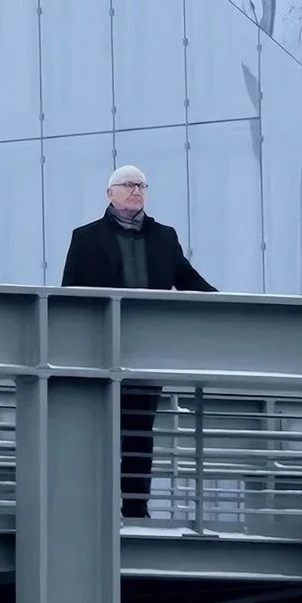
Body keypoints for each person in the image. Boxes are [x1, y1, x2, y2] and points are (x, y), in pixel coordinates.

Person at [60, 166, 216, 516]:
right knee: (95, 428)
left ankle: (135, 507)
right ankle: (91, 506)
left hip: (147, 350)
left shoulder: (164, 236)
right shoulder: (85, 238)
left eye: (142, 185)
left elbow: (188, 279)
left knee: (140, 430)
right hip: (98, 350)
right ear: (110, 193)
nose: (136, 191)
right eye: (128, 185)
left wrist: (228, 304)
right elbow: (68, 294)